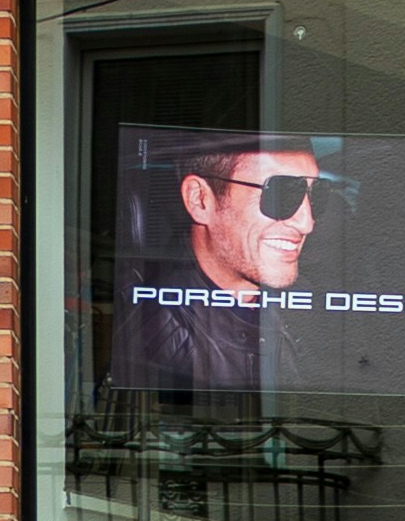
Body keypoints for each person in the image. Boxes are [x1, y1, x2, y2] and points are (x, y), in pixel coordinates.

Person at [111, 138, 340, 401]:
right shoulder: (156, 336)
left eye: (316, 195)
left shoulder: (309, 306)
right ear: (200, 200)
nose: (306, 223)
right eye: (282, 193)